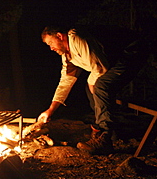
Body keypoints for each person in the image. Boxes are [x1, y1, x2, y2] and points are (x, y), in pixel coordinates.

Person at [36, 25, 150, 155]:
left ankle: (105, 139)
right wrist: (50, 110)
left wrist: (92, 84)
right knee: (93, 89)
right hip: (115, 60)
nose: (51, 48)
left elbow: (100, 67)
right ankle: (105, 132)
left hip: (131, 52)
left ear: (59, 36)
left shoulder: (76, 38)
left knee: (101, 86)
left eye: (51, 43)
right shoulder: (67, 56)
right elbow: (66, 82)